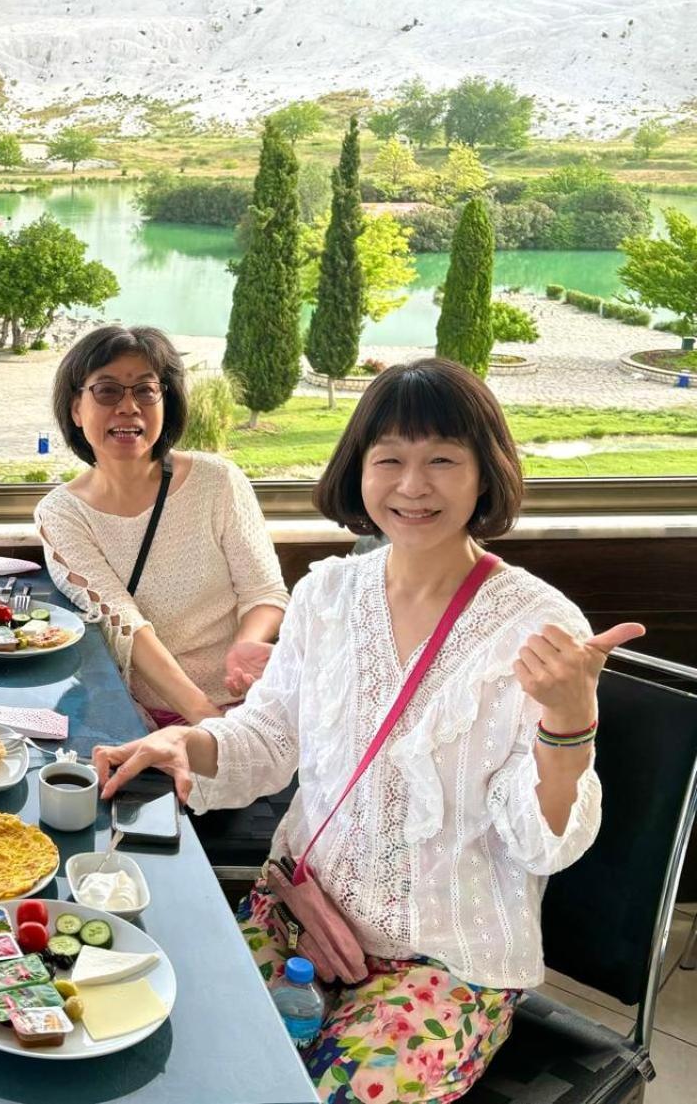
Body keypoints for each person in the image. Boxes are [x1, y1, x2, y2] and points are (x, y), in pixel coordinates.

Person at [94, 358, 641, 1103]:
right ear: (360, 471)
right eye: (390, 459)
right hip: (300, 913)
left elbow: (541, 840)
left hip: (447, 963)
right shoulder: (326, 595)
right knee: (175, 1057)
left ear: (487, 473)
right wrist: (183, 743)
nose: (413, 485)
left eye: (443, 460)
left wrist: (570, 723)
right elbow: (269, 736)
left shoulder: (538, 628)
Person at [35, 324, 288, 725]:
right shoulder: (62, 513)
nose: (128, 407)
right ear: (75, 409)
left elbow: (264, 591)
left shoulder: (217, 481)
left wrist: (246, 648)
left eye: (145, 391)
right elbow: (124, 623)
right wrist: (204, 719)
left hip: (245, 707)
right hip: (142, 714)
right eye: (107, 390)